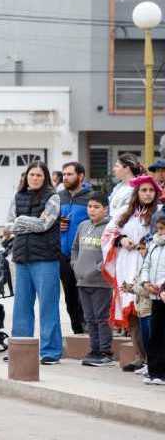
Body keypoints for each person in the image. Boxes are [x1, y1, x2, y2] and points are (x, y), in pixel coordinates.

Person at [3, 160, 63, 365]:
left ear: (45, 177)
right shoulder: (17, 196)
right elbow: (8, 225)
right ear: (26, 177)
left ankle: (50, 352)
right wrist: (21, 224)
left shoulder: (53, 197)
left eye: (39, 175)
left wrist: (20, 222)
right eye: (32, 175)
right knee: (21, 306)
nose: (35, 178)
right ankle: (20, 349)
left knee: (48, 306)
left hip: (45, 259)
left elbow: (45, 224)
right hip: (22, 258)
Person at [102, 174, 161, 373]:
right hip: (127, 265)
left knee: (150, 313)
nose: (147, 194)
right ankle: (140, 356)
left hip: (150, 266)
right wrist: (121, 240)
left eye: (151, 190)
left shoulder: (159, 212)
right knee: (133, 314)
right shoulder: (124, 212)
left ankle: (153, 358)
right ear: (137, 192)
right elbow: (108, 233)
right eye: (143, 190)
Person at [71, 192, 113, 366]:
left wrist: (99, 268)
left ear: (105, 209)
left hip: (101, 282)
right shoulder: (82, 226)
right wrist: (75, 265)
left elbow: (111, 254)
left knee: (101, 317)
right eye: (90, 206)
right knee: (89, 318)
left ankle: (105, 351)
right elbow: (75, 248)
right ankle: (94, 349)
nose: (92, 210)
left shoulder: (110, 228)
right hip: (82, 280)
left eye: (96, 207)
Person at [58, 161, 91, 335]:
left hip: (85, 254)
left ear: (80, 176)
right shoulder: (59, 196)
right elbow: (48, 220)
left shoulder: (90, 197)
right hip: (63, 254)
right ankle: (77, 331)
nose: (66, 177)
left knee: (84, 294)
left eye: (70, 174)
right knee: (70, 296)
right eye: (64, 174)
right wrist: (58, 225)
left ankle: (88, 330)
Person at [139, 210, 165, 385]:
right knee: (155, 334)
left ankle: (162, 373)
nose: (159, 232)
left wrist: (162, 286)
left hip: (163, 293)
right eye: (158, 229)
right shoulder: (154, 245)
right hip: (155, 296)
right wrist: (146, 282)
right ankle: (154, 370)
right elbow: (146, 265)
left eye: (163, 229)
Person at [109, 153, 143, 220]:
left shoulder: (136, 188)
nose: (113, 169)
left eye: (117, 166)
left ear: (127, 168)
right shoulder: (118, 186)